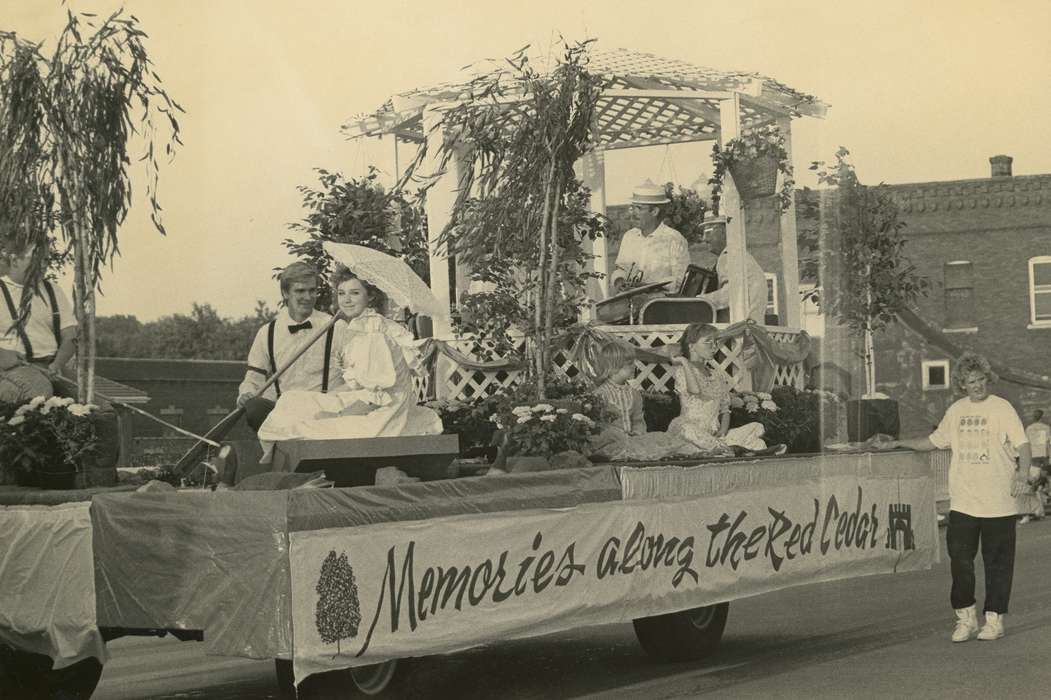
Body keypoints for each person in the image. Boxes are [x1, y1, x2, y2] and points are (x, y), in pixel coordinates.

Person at [885, 352, 1031, 642]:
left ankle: (994, 619)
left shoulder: (1002, 409)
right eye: (970, 381)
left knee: (997, 564)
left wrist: (1022, 474)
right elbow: (933, 442)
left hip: (998, 503)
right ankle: (966, 618)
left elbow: (1023, 446)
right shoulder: (956, 411)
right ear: (961, 385)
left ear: (986, 380)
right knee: (960, 561)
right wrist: (900, 443)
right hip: (964, 502)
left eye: (980, 380)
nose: (977, 386)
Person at [256, 267, 442, 455]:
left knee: (304, 426)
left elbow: (376, 399)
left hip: (383, 415)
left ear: (370, 296)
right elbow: (358, 385)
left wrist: (333, 415)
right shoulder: (358, 327)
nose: (346, 300)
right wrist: (327, 401)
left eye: (354, 293)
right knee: (291, 400)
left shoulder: (373, 333)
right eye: (341, 293)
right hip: (368, 401)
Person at [237, 262, 343, 431]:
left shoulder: (336, 327)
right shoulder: (267, 333)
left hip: (324, 416)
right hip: (283, 416)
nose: (308, 297)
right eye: (300, 291)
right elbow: (253, 378)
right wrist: (246, 394)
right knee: (255, 408)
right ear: (285, 293)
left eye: (312, 290)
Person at [666, 323, 774, 454]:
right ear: (692, 346)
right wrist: (684, 361)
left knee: (758, 428)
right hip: (692, 433)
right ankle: (731, 449)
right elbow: (695, 390)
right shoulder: (683, 371)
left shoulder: (717, 375)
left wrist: (723, 430)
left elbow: (725, 408)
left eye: (715, 342)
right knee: (688, 430)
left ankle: (724, 448)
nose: (714, 347)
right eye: (708, 342)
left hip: (713, 434)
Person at [585, 338, 692, 461]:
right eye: (629, 364)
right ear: (614, 367)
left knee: (659, 442)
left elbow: (638, 420)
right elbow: (596, 425)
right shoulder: (599, 394)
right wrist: (616, 434)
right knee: (621, 446)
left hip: (633, 440)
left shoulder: (634, 394)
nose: (634, 366)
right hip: (610, 442)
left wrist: (637, 432)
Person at [0, 242, 78, 403]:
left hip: (52, 367)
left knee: (100, 403)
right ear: (14, 260)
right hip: (12, 369)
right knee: (39, 391)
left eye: (46, 259)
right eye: (37, 259)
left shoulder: (53, 290)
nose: (44, 265)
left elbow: (71, 336)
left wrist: (57, 365)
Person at [610, 180, 690, 294]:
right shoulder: (629, 237)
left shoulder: (674, 239)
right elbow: (621, 269)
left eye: (639, 208)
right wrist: (619, 280)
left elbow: (680, 280)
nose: (633, 213)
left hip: (661, 307)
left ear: (655, 211)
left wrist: (648, 286)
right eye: (632, 208)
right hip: (631, 305)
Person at [695, 215, 768, 324]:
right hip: (750, 327)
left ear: (724, 233)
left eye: (708, 232)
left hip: (737, 330)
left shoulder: (729, 256)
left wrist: (697, 301)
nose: (705, 239)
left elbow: (730, 294)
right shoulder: (740, 256)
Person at [1018, 409, 1049, 523]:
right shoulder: (1046, 428)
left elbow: (1025, 444)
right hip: (1044, 457)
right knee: (1040, 483)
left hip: (1034, 458)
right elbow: (1049, 443)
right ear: (1042, 417)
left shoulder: (1029, 429)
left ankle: (1037, 509)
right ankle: (1039, 508)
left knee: (1035, 483)